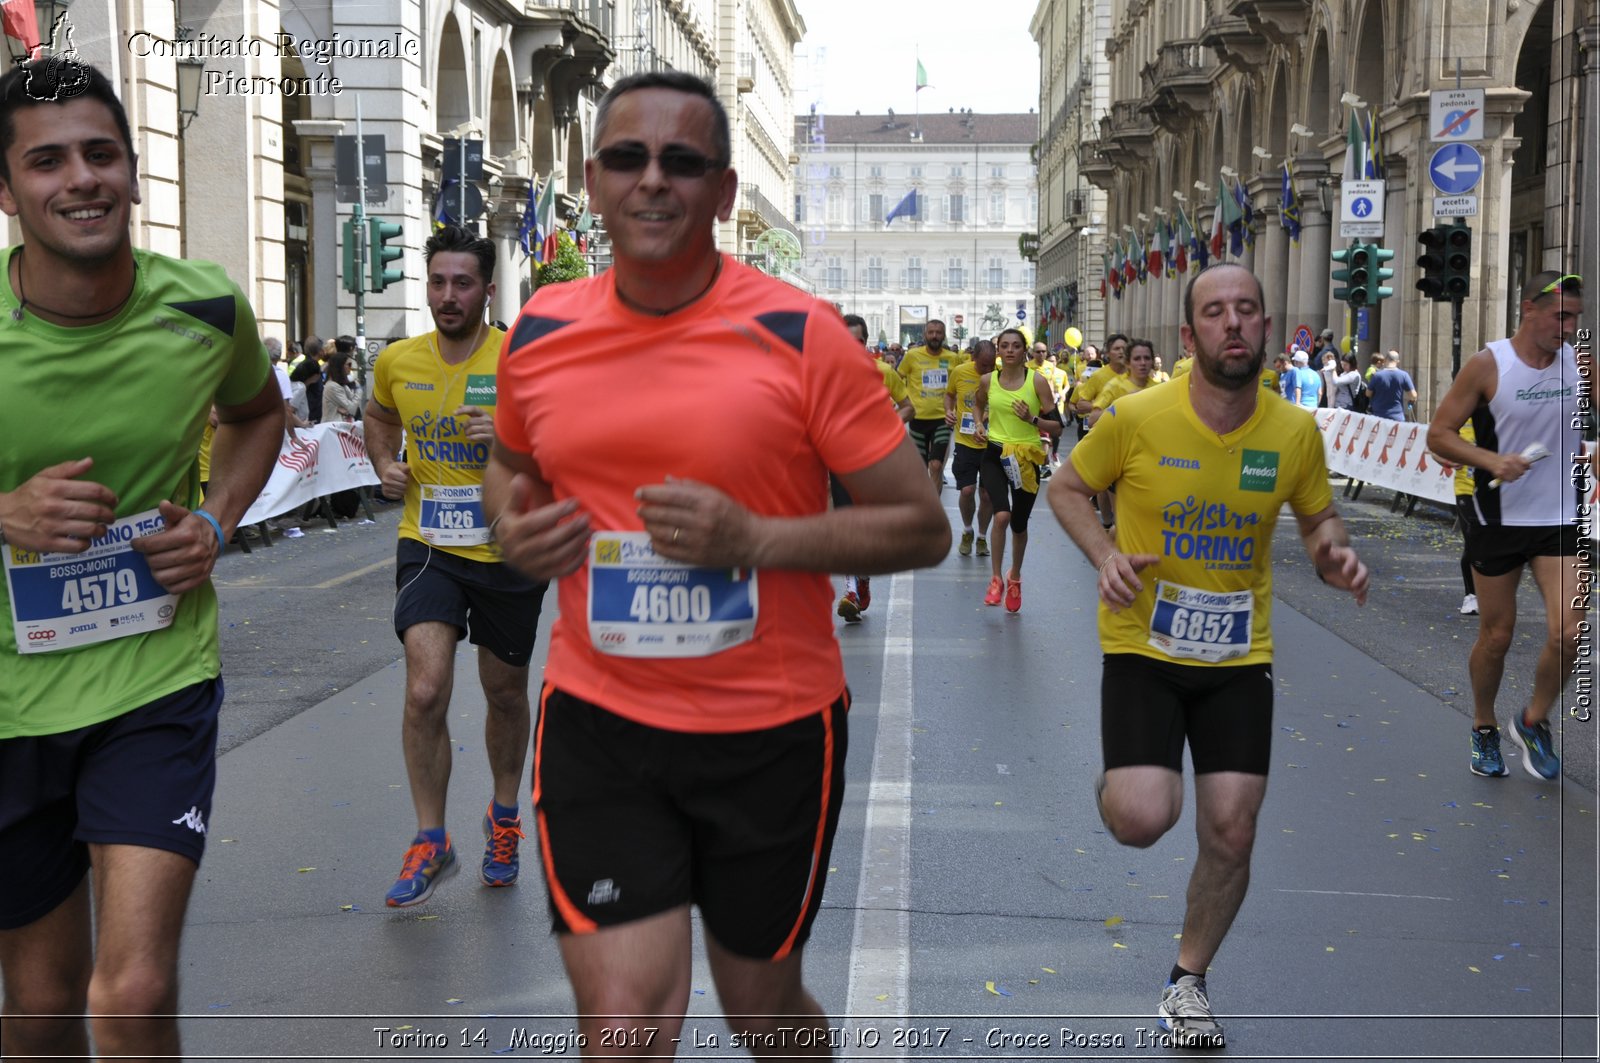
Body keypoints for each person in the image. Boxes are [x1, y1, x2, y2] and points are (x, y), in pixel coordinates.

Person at [482, 70, 949, 1053]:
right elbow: (509, 469)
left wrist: (757, 540)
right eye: (628, 158)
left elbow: (920, 524)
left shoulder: (801, 335)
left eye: (682, 163)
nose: (653, 181)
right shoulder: (542, 331)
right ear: (592, 177)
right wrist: (511, 528)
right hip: (599, 720)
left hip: (770, 733)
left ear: (723, 193)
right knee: (622, 1021)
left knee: (762, 1014)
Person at [0, 61, 284, 1059]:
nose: (80, 177)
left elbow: (257, 413)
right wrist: (6, 510)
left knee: (132, 991)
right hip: (9, 703)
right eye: (46, 160)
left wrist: (214, 522)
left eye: (100, 153)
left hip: (152, 681)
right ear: (6, 189)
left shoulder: (204, 309)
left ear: (132, 170)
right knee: (38, 1008)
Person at [1048, 263, 1368, 1049]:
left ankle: (1186, 982)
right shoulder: (1136, 416)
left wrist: (1335, 554)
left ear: (1264, 328)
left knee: (1232, 829)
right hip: (1144, 645)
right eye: (1216, 313)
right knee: (1142, 816)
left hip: (1236, 655)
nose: (1234, 323)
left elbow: (1321, 519)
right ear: (1190, 337)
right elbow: (1065, 490)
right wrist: (1104, 553)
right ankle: (1123, 781)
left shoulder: (1293, 432)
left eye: (1247, 311)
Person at [362, 224, 550, 906]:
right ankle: (430, 836)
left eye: (462, 282)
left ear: (487, 289)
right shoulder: (400, 360)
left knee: (504, 691)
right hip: (429, 543)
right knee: (424, 688)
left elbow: (567, 442)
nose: (448, 295)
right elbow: (378, 416)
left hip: (508, 545)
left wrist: (510, 438)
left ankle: (503, 816)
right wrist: (384, 461)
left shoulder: (522, 359)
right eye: (438, 281)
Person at [1426, 271, 1588, 781]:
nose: (1569, 328)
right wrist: (1491, 461)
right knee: (1497, 635)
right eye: (1561, 317)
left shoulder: (1580, 365)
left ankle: (1533, 720)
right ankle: (1482, 726)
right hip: (1498, 518)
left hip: (1560, 518)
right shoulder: (1488, 364)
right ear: (1529, 310)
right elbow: (1438, 434)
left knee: (1571, 632)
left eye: (1576, 319)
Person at [973, 327, 1060, 612]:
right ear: (998, 351)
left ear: (1024, 352)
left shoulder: (1037, 382)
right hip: (995, 454)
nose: (1009, 350)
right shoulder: (988, 380)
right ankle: (996, 578)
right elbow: (977, 404)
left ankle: (1015, 577)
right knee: (1001, 516)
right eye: (1005, 346)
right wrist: (978, 424)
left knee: (1019, 525)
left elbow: (1057, 426)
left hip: (1026, 457)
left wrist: (1032, 418)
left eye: (1015, 346)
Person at [836, 312, 911, 622]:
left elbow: (909, 407)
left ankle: (861, 578)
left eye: (859, 341)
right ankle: (851, 589)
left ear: (866, 343)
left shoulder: (884, 372)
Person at [897, 318, 967, 494]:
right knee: (920, 470)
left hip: (942, 419)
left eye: (938, 333)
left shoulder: (953, 358)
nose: (935, 336)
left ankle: (934, 509)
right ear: (925, 335)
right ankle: (923, 505)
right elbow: (897, 380)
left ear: (944, 335)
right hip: (918, 419)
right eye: (931, 332)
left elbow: (960, 387)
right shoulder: (912, 356)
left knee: (936, 466)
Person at [946, 338, 997, 557]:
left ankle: (982, 538)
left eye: (992, 364)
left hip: (991, 442)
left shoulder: (1000, 376)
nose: (987, 369)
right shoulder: (959, 372)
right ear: (973, 358)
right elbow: (949, 395)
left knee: (986, 495)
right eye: (983, 365)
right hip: (965, 441)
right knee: (967, 490)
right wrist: (948, 411)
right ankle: (967, 531)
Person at [1367, 350, 1417, 421]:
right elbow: (1413, 395)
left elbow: (1368, 393)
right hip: (1397, 417)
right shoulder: (1404, 375)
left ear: (1385, 360)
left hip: (1378, 417)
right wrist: (1411, 401)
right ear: (1398, 361)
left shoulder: (1377, 375)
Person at [319, 351, 361, 423]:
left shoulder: (342, 385)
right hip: (332, 428)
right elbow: (352, 409)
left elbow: (351, 405)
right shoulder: (332, 386)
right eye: (349, 364)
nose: (351, 368)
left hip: (340, 427)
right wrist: (359, 389)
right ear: (340, 366)